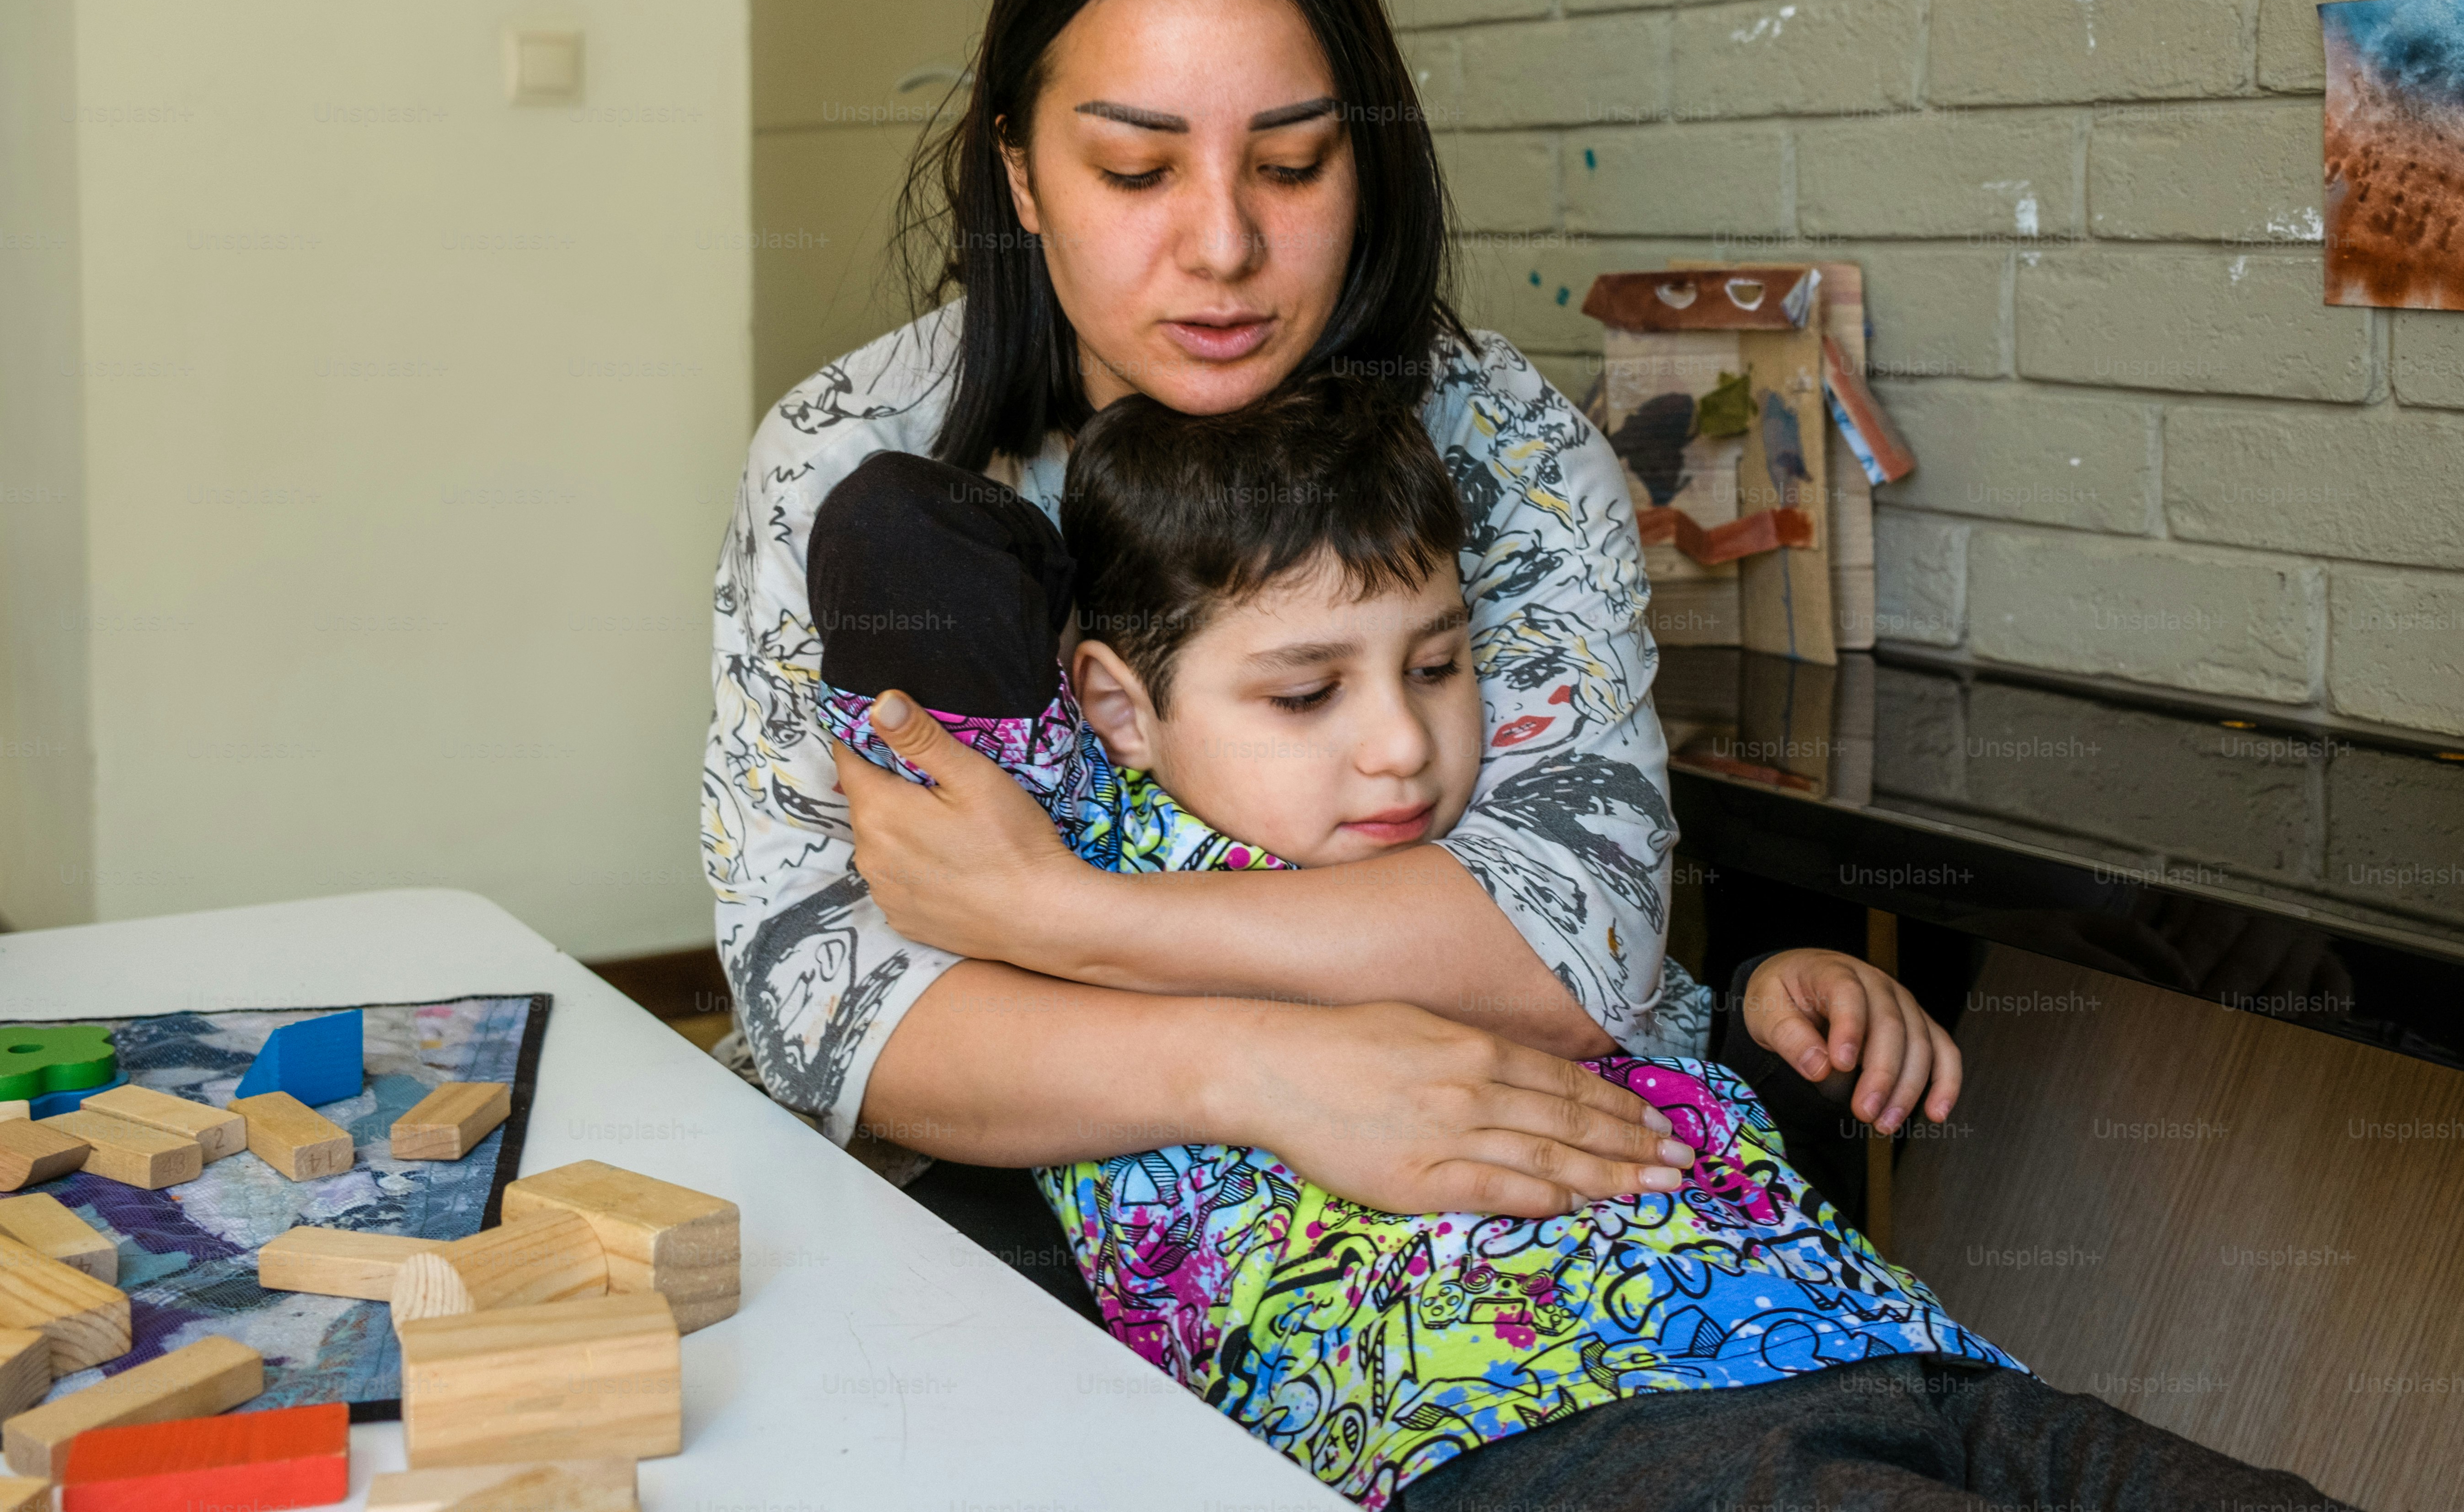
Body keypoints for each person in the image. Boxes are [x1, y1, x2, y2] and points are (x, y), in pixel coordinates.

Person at [802, 379, 2359, 1512]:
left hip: (1870, 1344)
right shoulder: (1090, 828)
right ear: (1117, 704)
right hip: (1526, 1427)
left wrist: (1765, 1004)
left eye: (1435, 665)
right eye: (1304, 694)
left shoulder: (1470, 863)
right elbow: (897, 571)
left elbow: (1632, 1016)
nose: (1399, 749)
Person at [701, 0, 1954, 1238]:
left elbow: (1572, 943)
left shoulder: (1510, 451)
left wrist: (1053, 920)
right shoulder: (849, 454)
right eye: (1134, 170)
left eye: (1291, 164)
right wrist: (1268, 1071)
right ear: (1023, 176)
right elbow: (820, 999)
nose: (1224, 246)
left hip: (1464, 1224)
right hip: (1008, 1208)